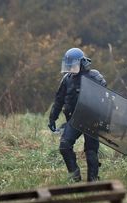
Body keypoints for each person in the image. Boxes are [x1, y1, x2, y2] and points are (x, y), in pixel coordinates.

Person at [48, 47, 107, 182]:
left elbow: (105, 98)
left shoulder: (94, 76)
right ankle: (74, 176)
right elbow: (59, 100)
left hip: (91, 120)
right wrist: (52, 117)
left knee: (91, 151)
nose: (71, 68)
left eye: (73, 65)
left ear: (82, 63)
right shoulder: (67, 79)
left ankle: (93, 180)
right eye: (69, 66)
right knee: (64, 146)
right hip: (74, 120)